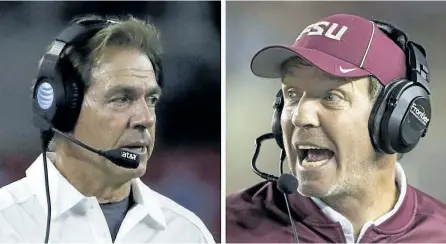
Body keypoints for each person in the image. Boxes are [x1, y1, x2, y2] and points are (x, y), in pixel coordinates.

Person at [226, 13, 446, 243]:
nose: (300, 116)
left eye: (331, 96)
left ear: (394, 118)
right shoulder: (227, 228)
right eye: (291, 94)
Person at [0, 15, 215, 243]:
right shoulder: (7, 224)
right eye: (122, 99)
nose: (145, 119)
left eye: (151, 99)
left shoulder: (187, 233)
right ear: (60, 107)